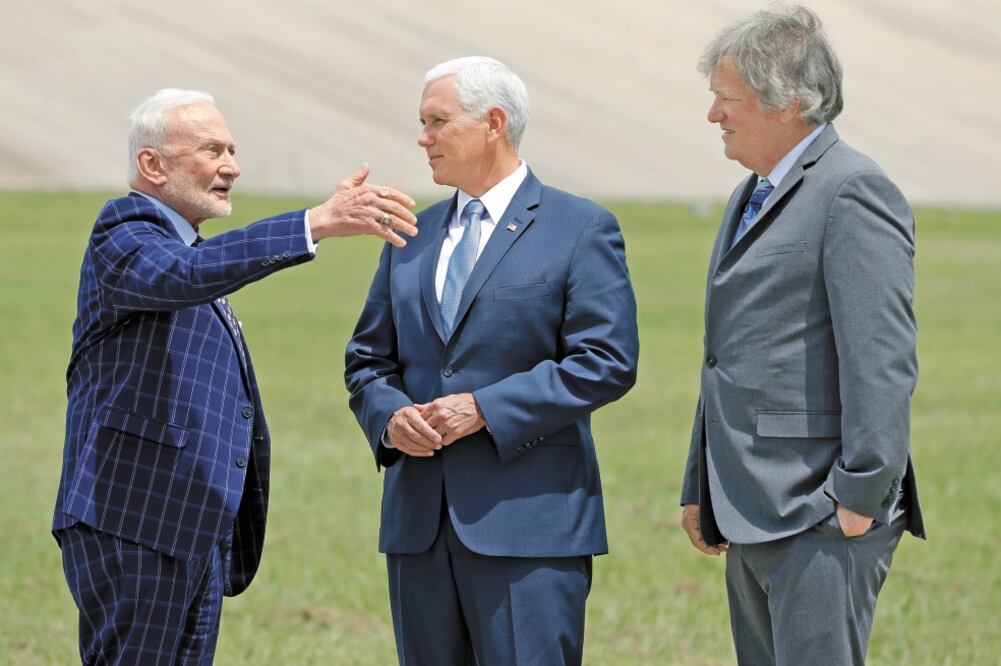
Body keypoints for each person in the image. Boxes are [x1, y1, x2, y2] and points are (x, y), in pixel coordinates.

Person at [52, 88, 417, 664]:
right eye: (211, 149)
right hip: (133, 519)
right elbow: (186, 275)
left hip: (192, 526)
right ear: (153, 164)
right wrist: (311, 225)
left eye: (232, 149)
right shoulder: (123, 230)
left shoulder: (185, 247)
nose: (233, 166)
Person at [345, 56, 639, 665]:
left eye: (436, 121)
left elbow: (607, 359)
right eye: (421, 122)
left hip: (529, 528)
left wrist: (484, 408)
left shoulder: (580, 228)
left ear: (493, 123)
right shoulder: (411, 234)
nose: (422, 138)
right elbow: (368, 360)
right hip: (419, 529)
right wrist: (390, 418)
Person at [679, 5, 925, 664]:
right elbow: (726, 352)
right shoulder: (748, 194)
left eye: (725, 100)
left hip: (818, 513)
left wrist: (857, 498)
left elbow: (881, 360)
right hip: (751, 503)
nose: (713, 116)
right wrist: (699, 484)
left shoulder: (853, 192)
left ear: (785, 102)